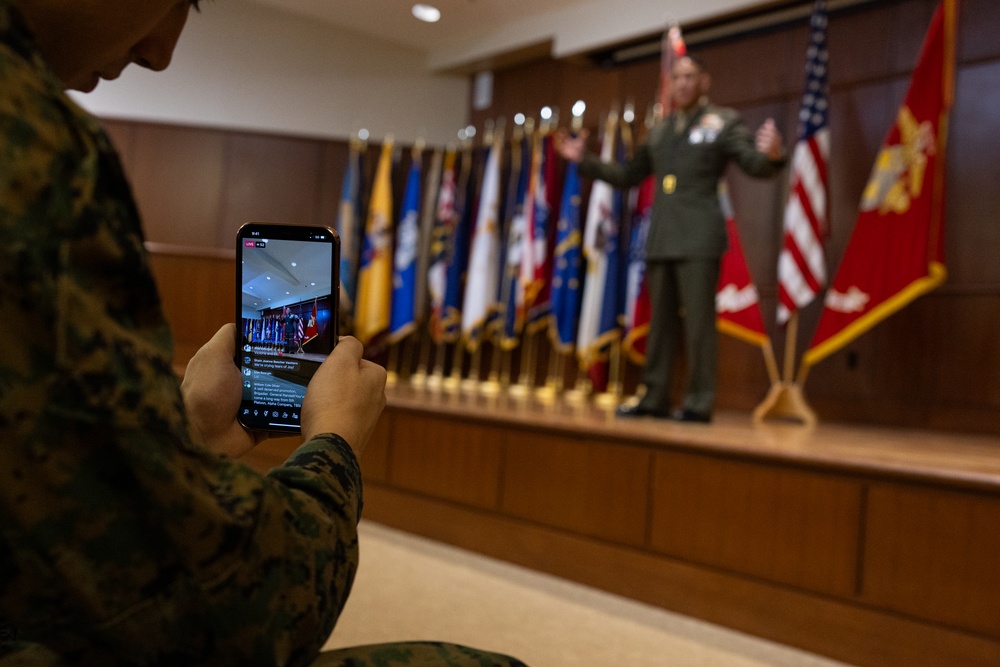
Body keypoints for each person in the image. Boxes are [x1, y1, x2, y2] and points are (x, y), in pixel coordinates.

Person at [0, 1, 525, 665]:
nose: (161, 49)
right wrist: (334, 441)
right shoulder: (29, 138)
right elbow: (243, 613)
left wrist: (187, 436)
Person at [555, 54, 786, 423]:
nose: (682, 83)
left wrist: (772, 156)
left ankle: (698, 402)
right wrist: (585, 160)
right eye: (676, 77)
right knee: (658, 323)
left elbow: (752, 164)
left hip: (700, 238)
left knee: (698, 325)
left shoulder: (723, 122)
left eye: (689, 76)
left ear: (704, 81)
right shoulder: (660, 131)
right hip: (661, 238)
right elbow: (629, 174)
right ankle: (654, 397)